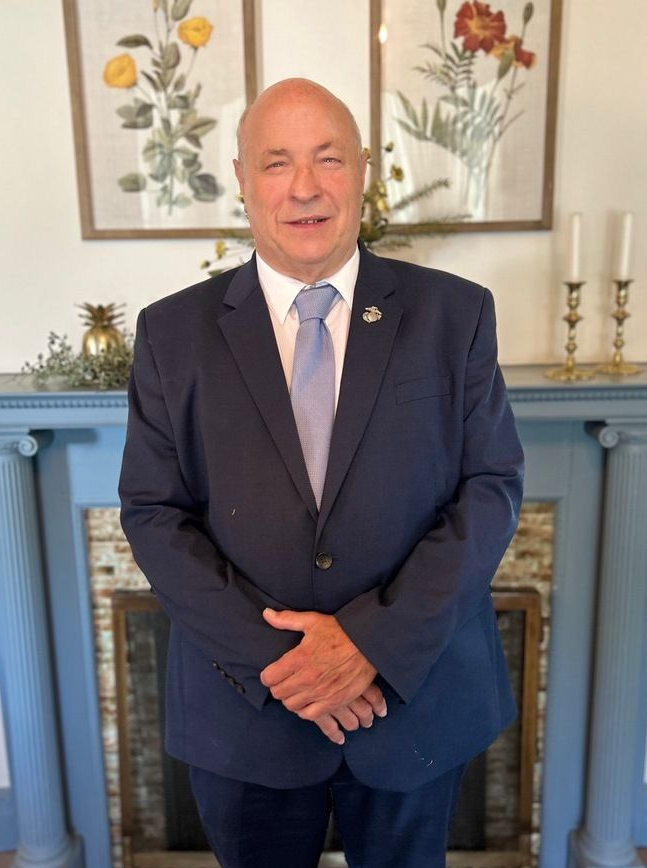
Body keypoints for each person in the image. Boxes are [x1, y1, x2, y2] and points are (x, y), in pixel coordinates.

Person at [119, 77, 524, 868]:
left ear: (363, 169)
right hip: (246, 708)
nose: (304, 186)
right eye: (276, 163)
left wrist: (370, 644)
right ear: (241, 179)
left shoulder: (455, 315)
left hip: (411, 700)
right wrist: (290, 666)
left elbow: (490, 489)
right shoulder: (172, 334)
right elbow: (153, 514)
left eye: (327, 158)